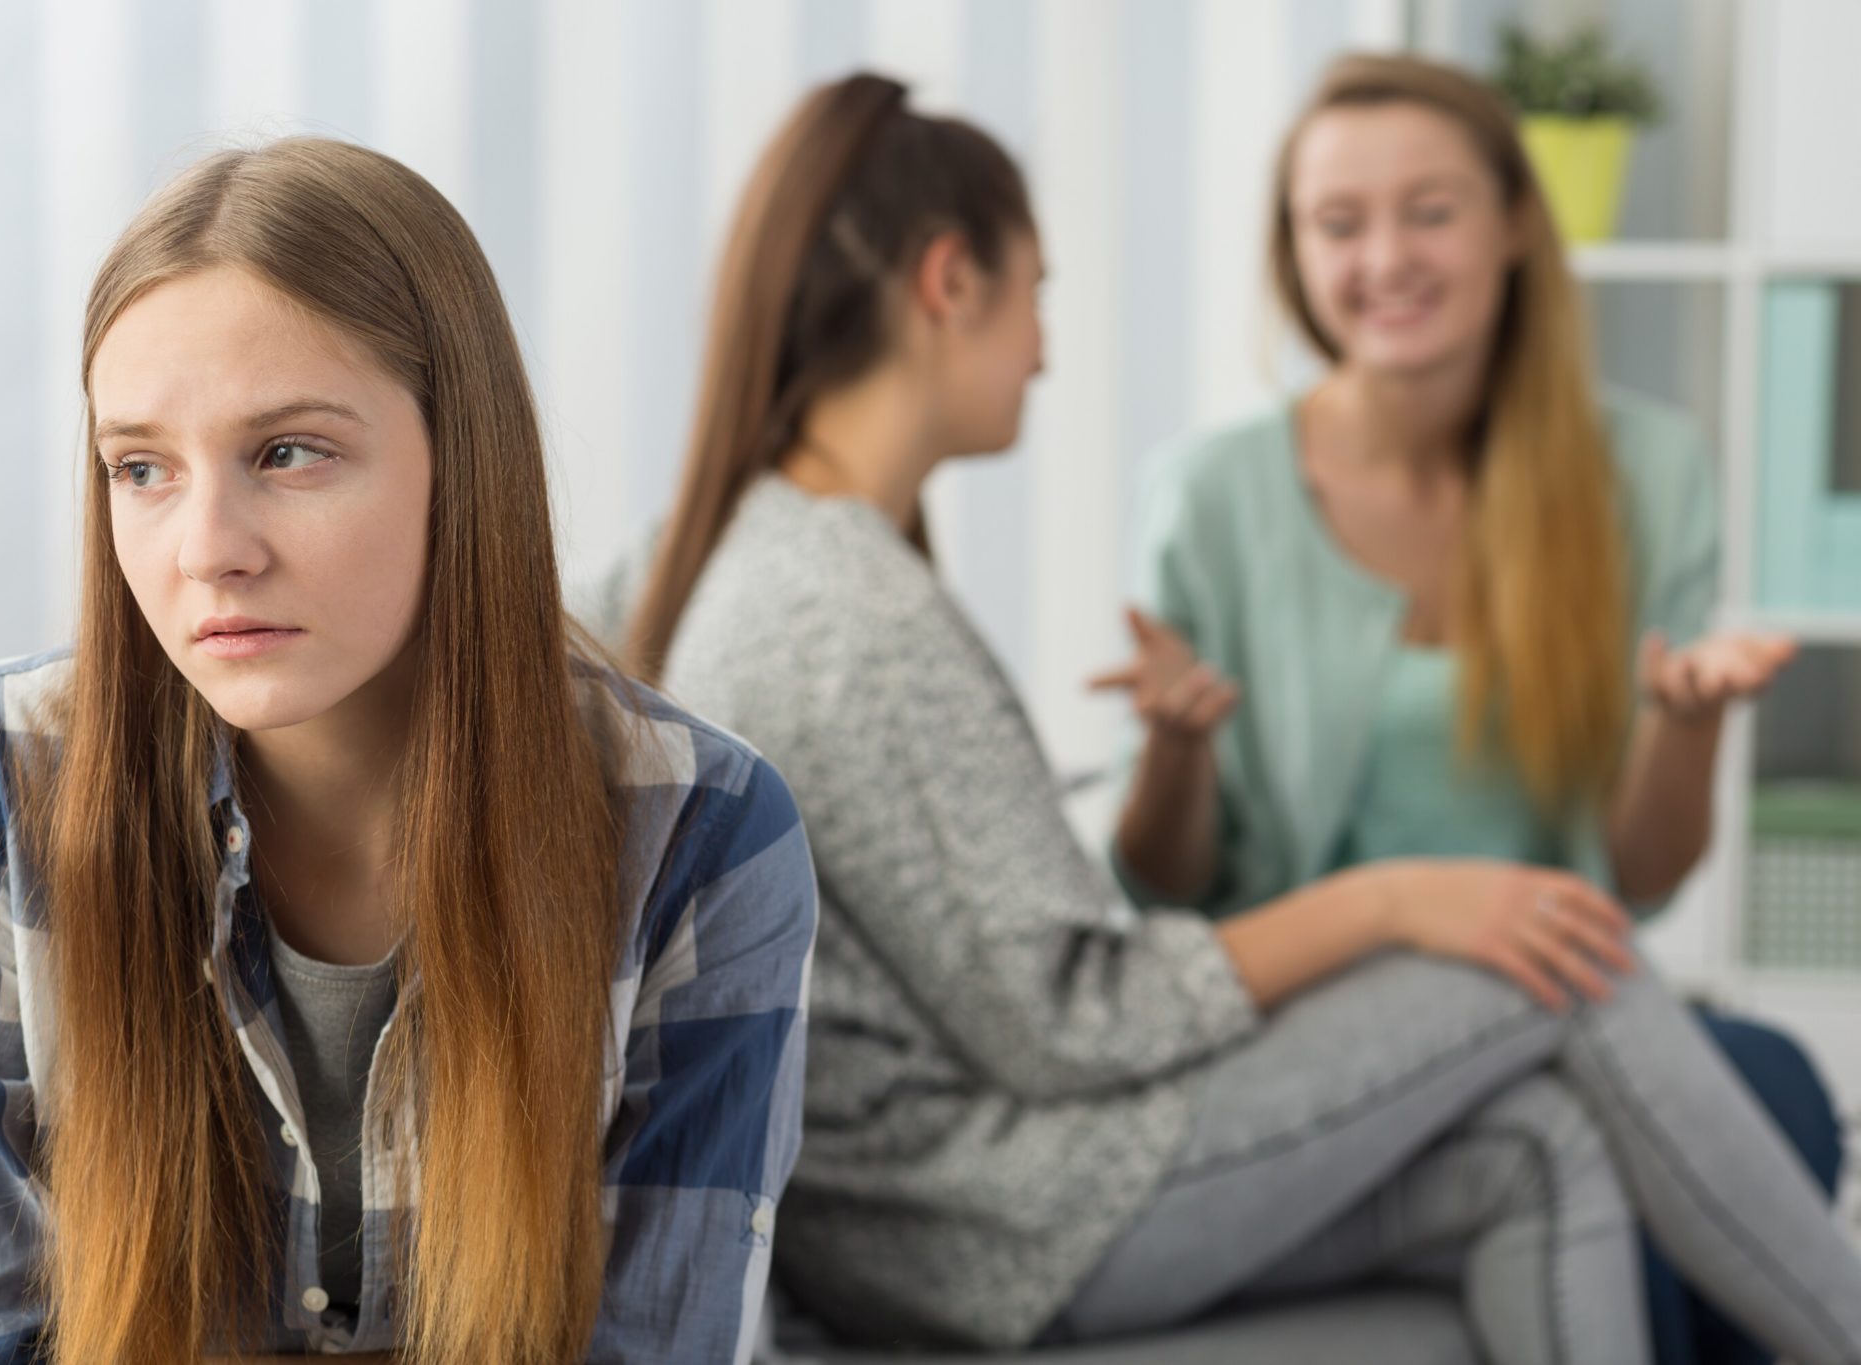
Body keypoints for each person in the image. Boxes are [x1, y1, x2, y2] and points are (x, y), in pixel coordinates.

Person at [637, 71, 1861, 1365]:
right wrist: (1393, 899)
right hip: (990, 1215)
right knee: (1574, 955)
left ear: (1511, 229)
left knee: (1543, 1156)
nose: (1049, 349)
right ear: (950, 285)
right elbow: (1071, 1014)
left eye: (1428, 213)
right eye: (1040, 295)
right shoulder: (854, 612)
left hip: (971, 1192)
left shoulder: (788, 560)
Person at [0, 138, 816, 1364]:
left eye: (288, 452)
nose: (206, 550)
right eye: (140, 468)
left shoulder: (702, 834)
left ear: (463, 460)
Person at [1102, 53, 1839, 1365]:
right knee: (1734, 1094)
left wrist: (1689, 724)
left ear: (1512, 224)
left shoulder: (1647, 473)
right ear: (1294, 254)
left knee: (1769, 1087)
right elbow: (1168, 893)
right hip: (1312, 1035)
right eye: (1339, 222)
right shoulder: (1209, 494)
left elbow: (1643, 881)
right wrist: (1178, 751)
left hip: (1564, 988)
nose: (1385, 256)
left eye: (1429, 210)